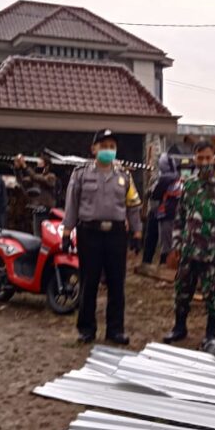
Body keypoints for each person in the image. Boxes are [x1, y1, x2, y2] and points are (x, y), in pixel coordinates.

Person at [62, 129, 143, 345]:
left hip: (116, 235)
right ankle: (86, 329)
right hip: (89, 233)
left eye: (112, 147)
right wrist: (66, 233)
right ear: (93, 149)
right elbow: (72, 204)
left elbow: (133, 205)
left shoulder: (125, 176)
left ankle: (115, 330)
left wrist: (137, 232)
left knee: (117, 283)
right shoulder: (80, 174)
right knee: (89, 282)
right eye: (104, 145)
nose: (108, 150)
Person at [163, 141, 215, 345]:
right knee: (182, 290)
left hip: (212, 252)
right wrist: (176, 245)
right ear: (194, 158)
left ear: (214, 159)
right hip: (189, 249)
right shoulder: (189, 185)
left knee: (212, 293)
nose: (204, 162)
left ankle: (211, 333)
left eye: (208, 158)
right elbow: (179, 217)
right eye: (200, 158)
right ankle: (179, 327)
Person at [142, 153, 181, 265]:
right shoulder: (175, 175)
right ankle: (152, 262)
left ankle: (162, 264)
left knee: (165, 242)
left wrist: (150, 191)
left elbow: (155, 194)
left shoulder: (165, 177)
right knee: (163, 240)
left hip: (165, 212)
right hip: (167, 212)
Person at [14, 153, 58, 235]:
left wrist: (25, 166)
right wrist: (17, 169)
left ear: (46, 165)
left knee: (46, 234)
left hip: (47, 210)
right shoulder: (35, 177)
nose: (38, 162)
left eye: (41, 161)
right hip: (37, 209)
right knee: (37, 234)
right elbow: (22, 182)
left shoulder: (51, 177)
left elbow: (35, 177)